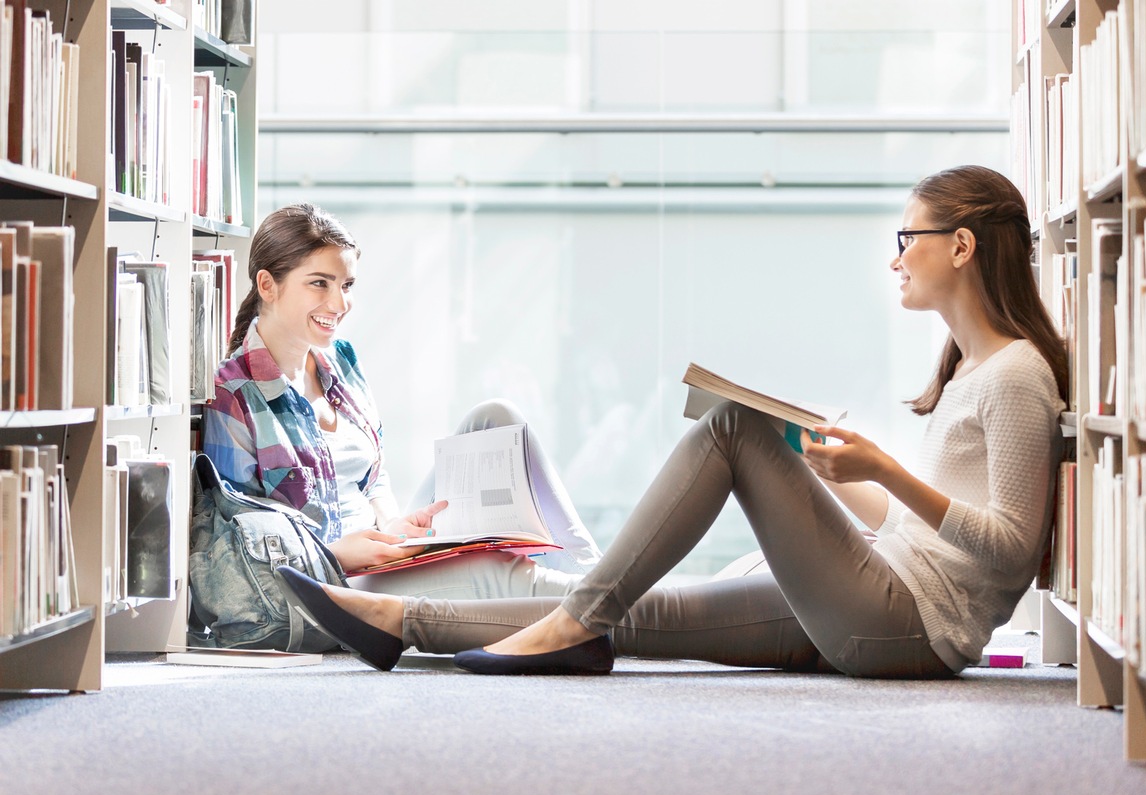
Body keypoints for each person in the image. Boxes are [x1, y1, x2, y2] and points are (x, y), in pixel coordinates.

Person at [274, 165, 1069, 678]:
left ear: (961, 246)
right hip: (879, 585)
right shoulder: (968, 371)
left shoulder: (1018, 375)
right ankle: (395, 620)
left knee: (734, 431)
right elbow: (919, 526)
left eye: (909, 239)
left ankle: (571, 625)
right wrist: (844, 472)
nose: (895, 258)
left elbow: (1008, 551)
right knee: (642, 611)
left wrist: (885, 469)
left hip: (908, 625)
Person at [202, 203, 602, 605]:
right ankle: (609, 604)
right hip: (328, 582)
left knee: (498, 419)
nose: (339, 305)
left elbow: (374, 478)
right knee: (493, 573)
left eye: (346, 285)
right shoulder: (233, 393)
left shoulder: (342, 361)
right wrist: (339, 552)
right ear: (268, 285)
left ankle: (597, 581)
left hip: (381, 554)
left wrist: (395, 525)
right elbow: (243, 544)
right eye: (320, 283)